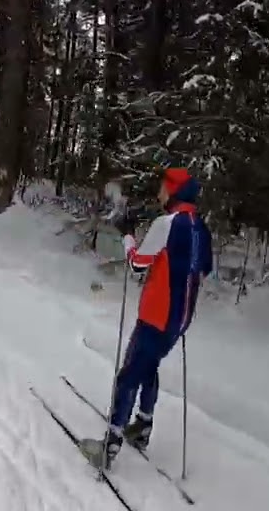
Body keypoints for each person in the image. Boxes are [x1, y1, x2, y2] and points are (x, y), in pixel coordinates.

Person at [100, 167, 212, 467]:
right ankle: (143, 425)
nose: (159, 193)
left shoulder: (167, 224)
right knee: (149, 366)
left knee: (129, 374)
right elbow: (201, 271)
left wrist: (127, 235)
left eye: (163, 187)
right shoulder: (200, 228)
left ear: (174, 191)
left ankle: (111, 441)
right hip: (180, 319)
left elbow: (137, 264)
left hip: (156, 315)